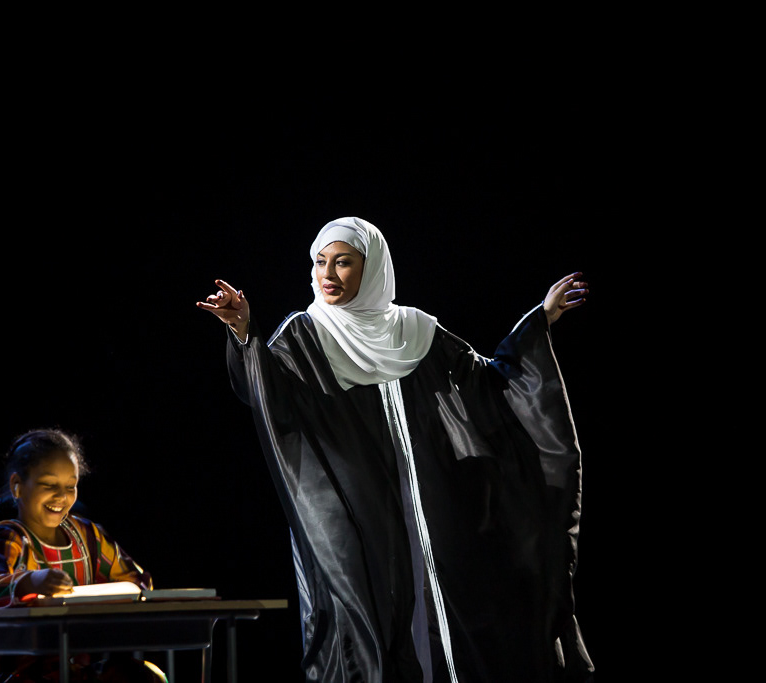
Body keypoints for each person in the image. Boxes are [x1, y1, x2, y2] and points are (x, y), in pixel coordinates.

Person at [196, 217, 594, 683]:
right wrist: (243, 331)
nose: (328, 274)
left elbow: (487, 382)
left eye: (343, 262)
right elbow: (263, 392)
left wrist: (540, 320)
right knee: (361, 621)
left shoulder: (414, 330)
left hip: (428, 512)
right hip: (351, 513)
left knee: (443, 616)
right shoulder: (304, 335)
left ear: (372, 268)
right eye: (321, 261)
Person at [0, 428, 165, 683]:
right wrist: (29, 581)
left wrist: (124, 593)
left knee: (146, 677)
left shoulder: (88, 536)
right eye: (49, 485)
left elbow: (137, 580)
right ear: (17, 486)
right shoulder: (9, 538)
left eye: (70, 486)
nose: (61, 496)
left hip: (77, 667)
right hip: (22, 673)